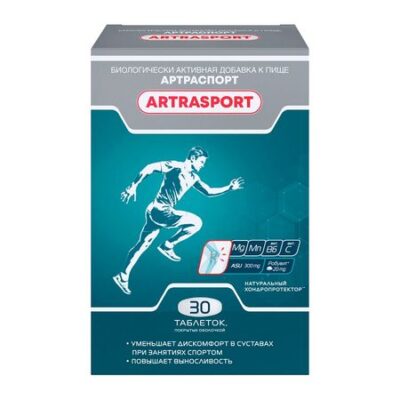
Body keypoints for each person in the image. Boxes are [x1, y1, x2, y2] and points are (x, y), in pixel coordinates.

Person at [113, 146, 244, 295]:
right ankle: (167, 245)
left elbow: (209, 191)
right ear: (193, 158)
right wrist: (133, 185)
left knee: (142, 245)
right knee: (196, 222)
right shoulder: (175, 166)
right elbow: (150, 167)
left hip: (154, 211)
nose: (203, 165)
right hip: (161, 211)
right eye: (201, 162)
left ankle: (123, 276)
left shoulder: (194, 178)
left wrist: (229, 188)